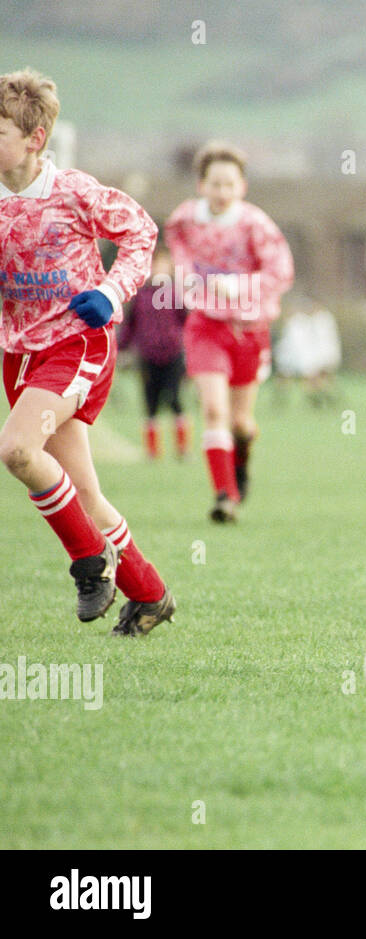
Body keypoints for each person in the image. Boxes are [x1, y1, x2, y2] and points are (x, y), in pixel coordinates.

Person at [0, 68, 175, 635]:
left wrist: (109, 290)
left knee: (17, 450)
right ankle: (149, 594)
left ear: (35, 138)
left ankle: (87, 565)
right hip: (20, 356)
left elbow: (141, 232)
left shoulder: (74, 191)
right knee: (82, 493)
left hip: (76, 347)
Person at [165, 141, 294, 522]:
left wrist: (241, 287)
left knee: (241, 423)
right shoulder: (185, 220)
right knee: (213, 409)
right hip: (206, 325)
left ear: (242, 187)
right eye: (214, 183)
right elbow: (181, 254)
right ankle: (225, 496)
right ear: (201, 185)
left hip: (249, 329)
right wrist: (187, 280)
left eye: (229, 184)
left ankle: (241, 461)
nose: (222, 192)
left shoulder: (255, 224)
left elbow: (281, 273)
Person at [118, 245, 189, 460]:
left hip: (173, 354)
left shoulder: (176, 294)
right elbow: (130, 325)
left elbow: (188, 322)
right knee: (150, 404)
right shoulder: (141, 296)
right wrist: (120, 349)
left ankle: (183, 449)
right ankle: (152, 451)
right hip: (147, 355)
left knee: (175, 399)